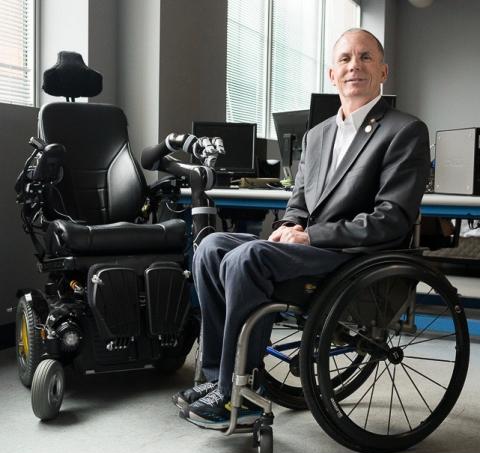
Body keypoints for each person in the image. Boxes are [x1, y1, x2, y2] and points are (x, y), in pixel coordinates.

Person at [173, 28, 431, 429]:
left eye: (365, 58)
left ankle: (239, 389)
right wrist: (291, 223)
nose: (354, 66)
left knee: (248, 256)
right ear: (332, 74)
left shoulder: (404, 131)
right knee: (211, 247)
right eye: (345, 59)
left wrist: (310, 235)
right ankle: (214, 380)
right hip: (309, 247)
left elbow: (391, 219)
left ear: (383, 70)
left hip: (353, 255)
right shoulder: (318, 134)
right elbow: (300, 199)